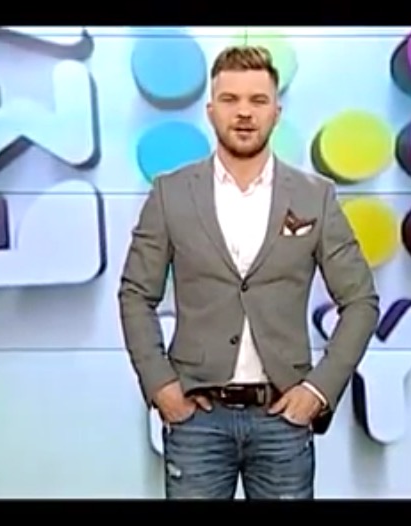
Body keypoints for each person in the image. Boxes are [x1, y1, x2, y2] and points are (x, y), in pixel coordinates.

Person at [117, 45, 378, 500]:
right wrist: (161, 386)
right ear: (210, 110)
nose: (243, 112)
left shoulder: (315, 196)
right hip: (197, 421)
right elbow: (136, 294)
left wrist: (318, 390)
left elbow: (360, 302)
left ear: (276, 112)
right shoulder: (170, 193)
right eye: (230, 99)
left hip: (283, 419)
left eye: (258, 100)